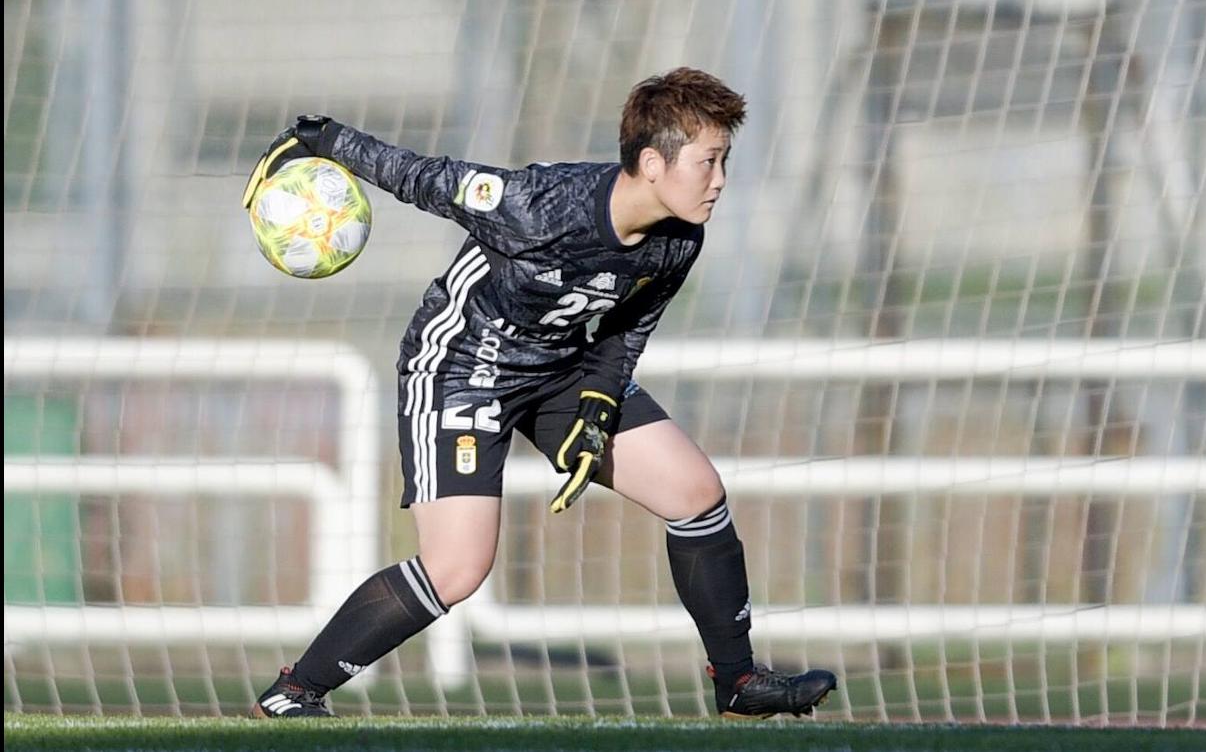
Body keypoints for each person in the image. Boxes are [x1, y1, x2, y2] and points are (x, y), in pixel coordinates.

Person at [241, 67, 836, 719]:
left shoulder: (680, 237)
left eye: (724, 161)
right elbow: (425, 177)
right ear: (651, 162)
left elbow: (626, 328)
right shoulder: (539, 206)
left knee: (696, 494)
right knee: (457, 568)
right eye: (709, 161)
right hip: (464, 365)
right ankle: (296, 690)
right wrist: (325, 139)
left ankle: (738, 681)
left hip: (564, 367)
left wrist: (597, 406)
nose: (720, 180)